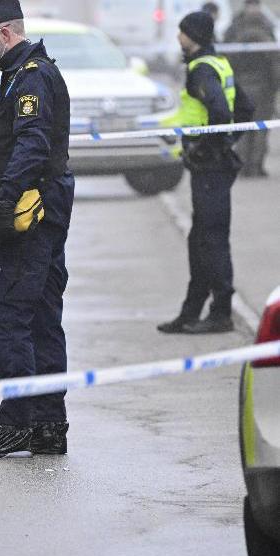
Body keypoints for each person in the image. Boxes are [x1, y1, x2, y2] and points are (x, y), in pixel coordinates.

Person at [0, 0, 75, 459]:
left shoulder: (31, 78)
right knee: (44, 320)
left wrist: (5, 202)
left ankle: (18, 424)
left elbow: (33, 142)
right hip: (47, 210)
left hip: (32, 213)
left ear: (6, 33)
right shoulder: (26, 73)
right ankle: (49, 425)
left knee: (6, 322)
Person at [158, 11, 249, 334]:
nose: (179, 39)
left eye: (182, 33)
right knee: (201, 239)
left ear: (193, 36)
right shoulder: (219, 63)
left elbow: (222, 112)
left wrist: (208, 147)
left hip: (210, 168)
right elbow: (246, 110)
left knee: (210, 240)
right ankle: (191, 310)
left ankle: (221, 312)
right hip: (214, 167)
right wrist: (225, 142)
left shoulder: (201, 71)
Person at [225, 0, 278, 177]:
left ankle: (252, 166)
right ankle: (250, 167)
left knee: (254, 128)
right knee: (252, 128)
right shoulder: (264, 27)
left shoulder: (236, 27)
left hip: (256, 86)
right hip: (250, 85)